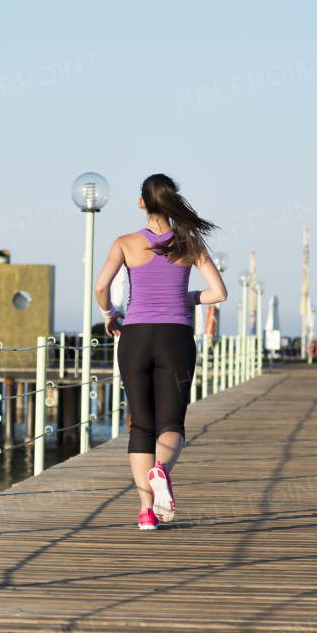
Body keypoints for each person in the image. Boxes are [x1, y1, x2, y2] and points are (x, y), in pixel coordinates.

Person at [94, 174, 226, 530]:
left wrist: (109, 315)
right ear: (172, 201)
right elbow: (219, 293)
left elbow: (101, 285)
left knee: (141, 426)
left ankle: (146, 512)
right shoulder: (191, 243)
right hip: (176, 337)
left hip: (134, 337)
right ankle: (161, 470)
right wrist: (187, 297)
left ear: (142, 203)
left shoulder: (125, 242)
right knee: (172, 424)